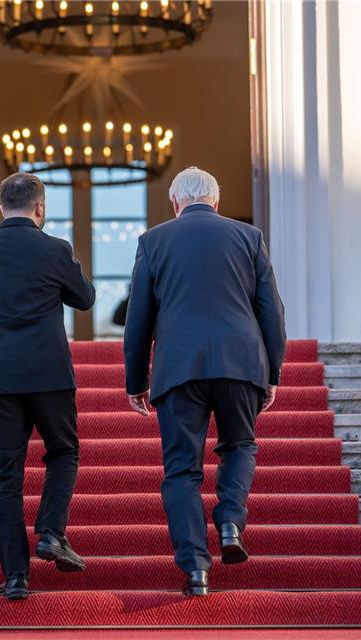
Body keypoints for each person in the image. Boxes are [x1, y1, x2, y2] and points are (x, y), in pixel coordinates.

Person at [123, 167, 286, 596]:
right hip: (240, 361)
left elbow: (138, 319)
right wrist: (272, 372)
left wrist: (135, 380)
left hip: (179, 368)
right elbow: (271, 309)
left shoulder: (153, 241)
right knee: (240, 445)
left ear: (175, 204)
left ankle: (196, 569)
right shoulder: (247, 237)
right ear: (217, 200)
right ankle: (231, 520)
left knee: (181, 471)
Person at [0, 172, 96, 601]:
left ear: (1, 207)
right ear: (40, 209)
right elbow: (84, 297)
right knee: (64, 452)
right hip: (50, 375)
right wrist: (66, 258)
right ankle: (50, 532)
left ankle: (16, 577)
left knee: (5, 476)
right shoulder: (54, 250)